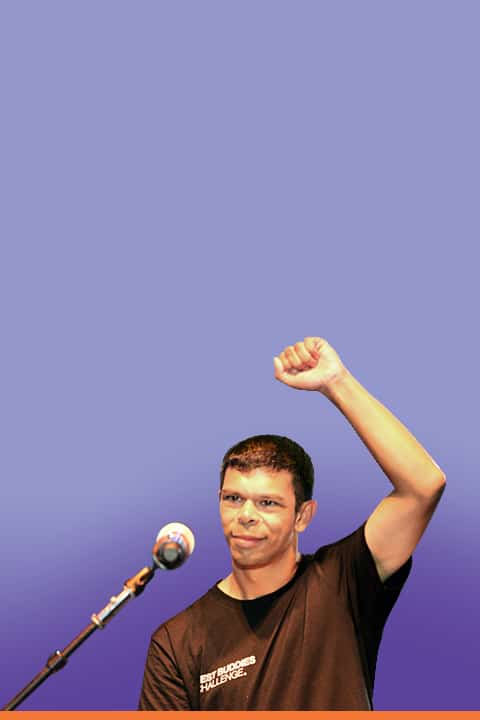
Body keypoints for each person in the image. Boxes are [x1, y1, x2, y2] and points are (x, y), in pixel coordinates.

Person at [138, 336, 446, 710]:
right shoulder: (177, 641)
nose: (246, 515)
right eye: (233, 499)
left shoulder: (342, 581)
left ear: (303, 516)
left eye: (267, 503)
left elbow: (423, 486)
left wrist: (336, 382)